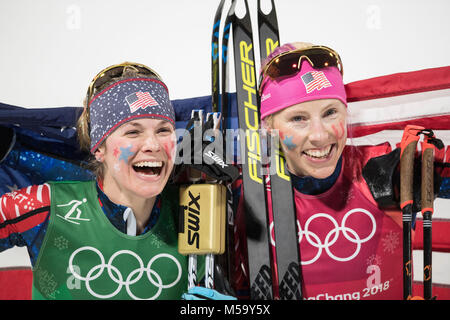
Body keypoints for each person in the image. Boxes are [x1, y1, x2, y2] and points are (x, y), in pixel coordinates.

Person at [0, 62, 234, 300]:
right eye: (133, 132)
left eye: (163, 131)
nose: (153, 145)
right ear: (98, 148)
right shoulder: (45, 207)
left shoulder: (198, 209)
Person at [231, 42, 445, 300]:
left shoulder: (385, 167)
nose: (320, 136)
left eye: (331, 112)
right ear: (268, 126)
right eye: (299, 118)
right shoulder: (244, 191)